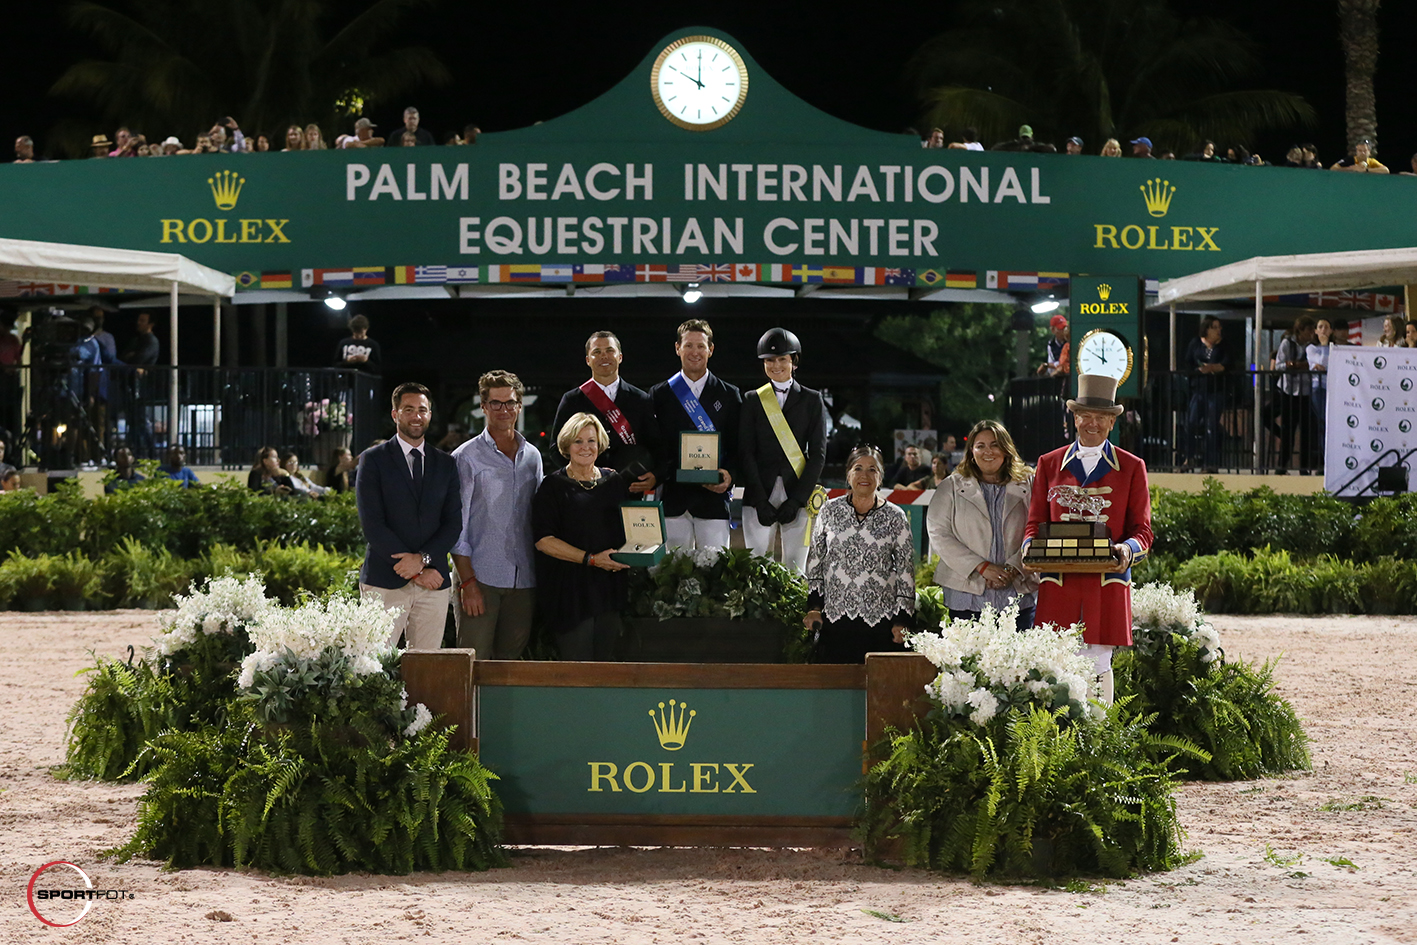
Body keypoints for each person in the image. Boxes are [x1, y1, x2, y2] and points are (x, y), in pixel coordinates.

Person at [1022, 374, 1153, 704]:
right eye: (1086, 416)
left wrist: (1127, 548)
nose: (1092, 424)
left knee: (1098, 663)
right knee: (1054, 665)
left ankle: (1100, 740)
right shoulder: (1048, 464)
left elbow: (1143, 531)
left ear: (1111, 422)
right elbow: (1034, 522)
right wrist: (1029, 549)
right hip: (1059, 583)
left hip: (1105, 584)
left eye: (1101, 418)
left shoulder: (1132, 467)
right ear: (1075, 417)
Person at [356, 382, 463, 651]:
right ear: (395, 414)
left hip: (433, 584)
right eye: (409, 409)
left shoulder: (446, 464)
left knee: (427, 671)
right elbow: (372, 524)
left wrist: (424, 561)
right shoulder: (373, 460)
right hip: (385, 581)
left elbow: (453, 523)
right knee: (374, 667)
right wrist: (417, 571)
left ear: (430, 414)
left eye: (422, 410)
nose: (416, 416)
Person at [450, 370, 543, 661]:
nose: (504, 410)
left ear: (519, 405)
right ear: (484, 406)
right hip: (480, 579)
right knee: (473, 664)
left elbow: (538, 517)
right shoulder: (466, 457)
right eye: (496, 403)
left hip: (524, 581)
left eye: (510, 403)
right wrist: (468, 584)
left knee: (509, 668)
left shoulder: (533, 457)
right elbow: (457, 528)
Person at [532, 413, 637, 660]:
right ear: (566, 446)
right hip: (570, 590)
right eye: (578, 441)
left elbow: (631, 528)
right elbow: (544, 540)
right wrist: (590, 559)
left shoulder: (614, 481)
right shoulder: (552, 487)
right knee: (578, 669)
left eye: (591, 441)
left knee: (604, 666)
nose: (586, 447)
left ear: (600, 444)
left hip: (609, 586)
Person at [803, 444, 915, 663]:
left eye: (872, 469)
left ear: (881, 477)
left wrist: (902, 620)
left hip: (881, 621)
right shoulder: (829, 510)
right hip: (835, 618)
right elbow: (815, 561)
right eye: (858, 468)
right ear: (848, 474)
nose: (865, 475)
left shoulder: (896, 516)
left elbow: (906, 571)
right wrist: (814, 608)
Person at [927, 419, 1038, 630]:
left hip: (1018, 592)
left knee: (1018, 661)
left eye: (995, 444)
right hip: (966, 594)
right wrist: (982, 567)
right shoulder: (951, 486)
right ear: (971, 452)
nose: (988, 451)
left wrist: (1013, 568)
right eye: (980, 446)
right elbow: (939, 534)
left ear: (1006, 448)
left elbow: (1038, 528)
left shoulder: (1029, 483)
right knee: (968, 661)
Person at [739, 327, 828, 573]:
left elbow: (818, 453)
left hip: (797, 492)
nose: (775, 365)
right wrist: (759, 499)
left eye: (782, 359)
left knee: (796, 569)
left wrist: (798, 499)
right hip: (759, 493)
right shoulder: (752, 400)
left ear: (794, 361)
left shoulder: (812, 400)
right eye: (769, 360)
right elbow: (745, 451)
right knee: (756, 569)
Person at [649, 319, 741, 552]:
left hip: (714, 501)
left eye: (700, 346)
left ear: (711, 349)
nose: (694, 352)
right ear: (677, 348)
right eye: (688, 345)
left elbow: (739, 446)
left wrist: (730, 475)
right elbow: (653, 445)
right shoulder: (659, 395)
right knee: (672, 578)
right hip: (672, 499)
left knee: (716, 574)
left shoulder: (729, 395)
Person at [549, 331, 657, 492]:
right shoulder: (572, 400)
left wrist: (655, 475)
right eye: (596, 352)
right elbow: (555, 448)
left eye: (609, 351)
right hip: (583, 491)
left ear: (620, 357)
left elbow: (656, 446)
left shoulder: (641, 399)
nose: (604, 356)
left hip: (629, 490)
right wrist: (578, 477)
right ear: (588, 360)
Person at [1183, 315, 1233, 470]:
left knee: (1211, 425)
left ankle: (1210, 462)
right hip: (1198, 390)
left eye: (1219, 327)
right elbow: (1187, 363)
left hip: (1216, 390)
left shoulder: (1224, 345)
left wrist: (1211, 368)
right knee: (1190, 424)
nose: (1219, 330)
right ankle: (1189, 457)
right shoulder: (1196, 343)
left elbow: (1227, 364)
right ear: (1207, 329)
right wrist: (1200, 370)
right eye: (1215, 327)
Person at [1307, 318, 1334, 443]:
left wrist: (1323, 364)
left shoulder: (1334, 348)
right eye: (1320, 327)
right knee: (1323, 420)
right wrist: (1323, 346)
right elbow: (1322, 363)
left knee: (1332, 421)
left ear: (1331, 331)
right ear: (1316, 331)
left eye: (1326, 327)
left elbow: (1328, 365)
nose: (1323, 329)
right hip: (1318, 387)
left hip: (1332, 388)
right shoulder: (1311, 348)